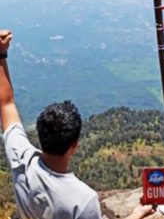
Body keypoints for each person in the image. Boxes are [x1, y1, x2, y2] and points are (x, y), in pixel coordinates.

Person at [0, 30, 155, 219]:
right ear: (74, 146)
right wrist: (137, 214)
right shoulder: (81, 199)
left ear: (39, 135)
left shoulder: (21, 160)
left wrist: (1, 54)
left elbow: (6, 102)